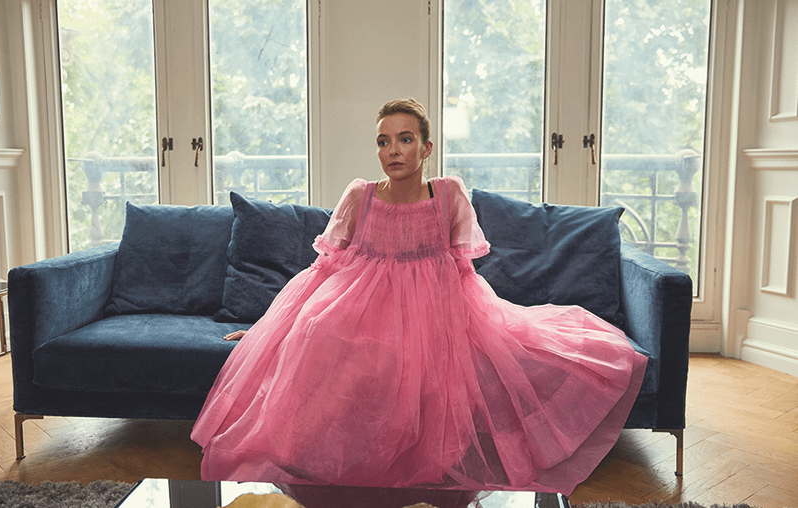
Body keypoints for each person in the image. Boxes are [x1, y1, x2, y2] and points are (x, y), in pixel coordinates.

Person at [190, 99, 647, 497]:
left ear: (426, 148)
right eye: (384, 141)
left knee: (428, 358)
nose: (393, 150)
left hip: (436, 306)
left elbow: (462, 271)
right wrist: (271, 327)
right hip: (359, 303)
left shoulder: (448, 194)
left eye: (405, 140)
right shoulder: (361, 195)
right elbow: (324, 269)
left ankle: (413, 459)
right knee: (318, 334)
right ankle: (328, 461)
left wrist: (469, 322)